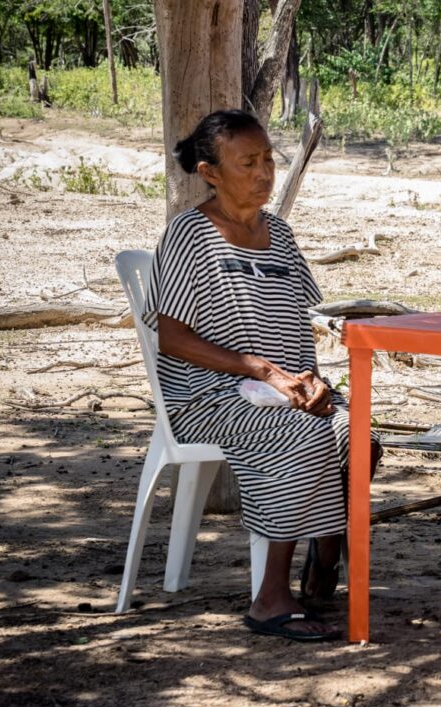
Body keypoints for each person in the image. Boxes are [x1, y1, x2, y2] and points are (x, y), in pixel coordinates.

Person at [144, 109, 381, 641]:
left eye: (268, 160)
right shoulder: (190, 234)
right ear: (210, 172)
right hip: (207, 396)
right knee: (304, 435)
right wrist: (264, 372)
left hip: (280, 388)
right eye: (247, 163)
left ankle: (323, 560)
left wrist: (311, 381)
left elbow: (297, 327)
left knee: (359, 432)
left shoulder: (280, 233)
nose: (263, 173)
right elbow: (170, 334)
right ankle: (270, 597)